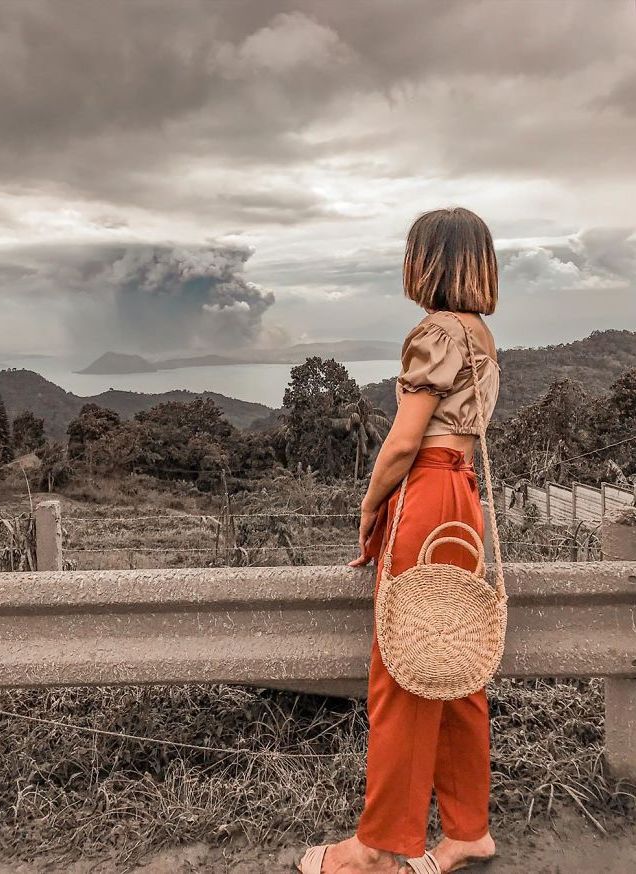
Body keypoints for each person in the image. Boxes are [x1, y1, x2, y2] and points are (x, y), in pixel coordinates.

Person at [298, 207, 501, 874]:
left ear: (426, 263)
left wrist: (370, 504)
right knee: (454, 657)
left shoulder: (435, 331)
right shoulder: (479, 334)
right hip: (461, 494)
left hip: (427, 489)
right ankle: (469, 828)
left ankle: (380, 848)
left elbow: (405, 440)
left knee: (403, 667)